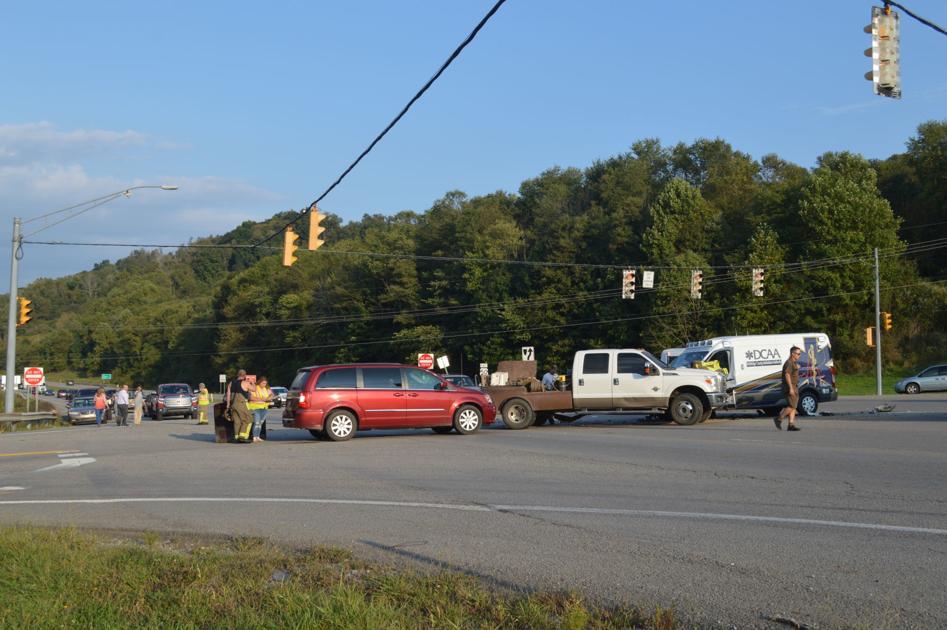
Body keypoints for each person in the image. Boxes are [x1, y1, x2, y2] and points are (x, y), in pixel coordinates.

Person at [774, 346, 803, 431]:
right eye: (798, 354)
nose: (799, 355)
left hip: (794, 386)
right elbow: (787, 375)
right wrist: (790, 388)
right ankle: (779, 418)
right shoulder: (789, 362)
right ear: (792, 354)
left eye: (799, 354)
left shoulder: (793, 363)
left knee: (794, 406)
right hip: (790, 387)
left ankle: (791, 425)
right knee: (792, 405)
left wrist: (797, 367)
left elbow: (792, 371)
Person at [226, 369, 254, 443]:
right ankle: (242, 436)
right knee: (248, 419)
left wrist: (228, 404)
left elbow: (228, 394)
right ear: (245, 375)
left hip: (232, 404)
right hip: (241, 404)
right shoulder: (245, 383)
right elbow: (254, 389)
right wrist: (252, 382)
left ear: (237, 375)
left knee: (237, 421)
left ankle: (236, 437)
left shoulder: (231, 383)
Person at [247, 376, 274, 443]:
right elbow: (250, 397)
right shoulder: (255, 388)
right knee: (256, 423)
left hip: (264, 407)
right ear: (259, 382)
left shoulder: (266, 388)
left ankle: (258, 437)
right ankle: (254, 437)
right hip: (255, 407)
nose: (264, 385)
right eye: (263, 383)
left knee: (260, 423)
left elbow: (272, 394)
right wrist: (261, 399)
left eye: (265, 383)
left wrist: (269, 398)